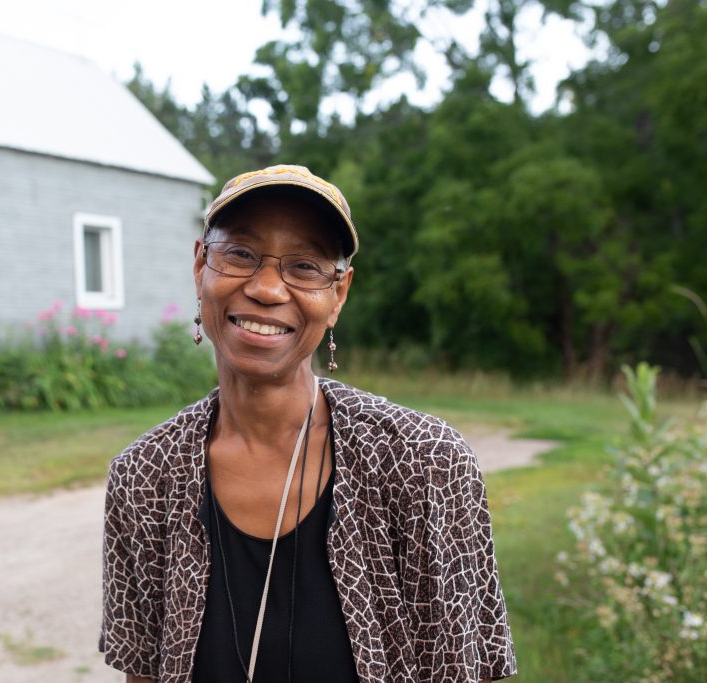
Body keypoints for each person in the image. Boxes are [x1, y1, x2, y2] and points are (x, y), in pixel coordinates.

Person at [100, 164, 517, 683]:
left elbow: (465, 670)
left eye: (304, 266)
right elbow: (143, 674)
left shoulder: (423, 462)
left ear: (338, 294)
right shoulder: (144, 477)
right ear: (201, 265)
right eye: (241, 254)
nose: (268, 288)